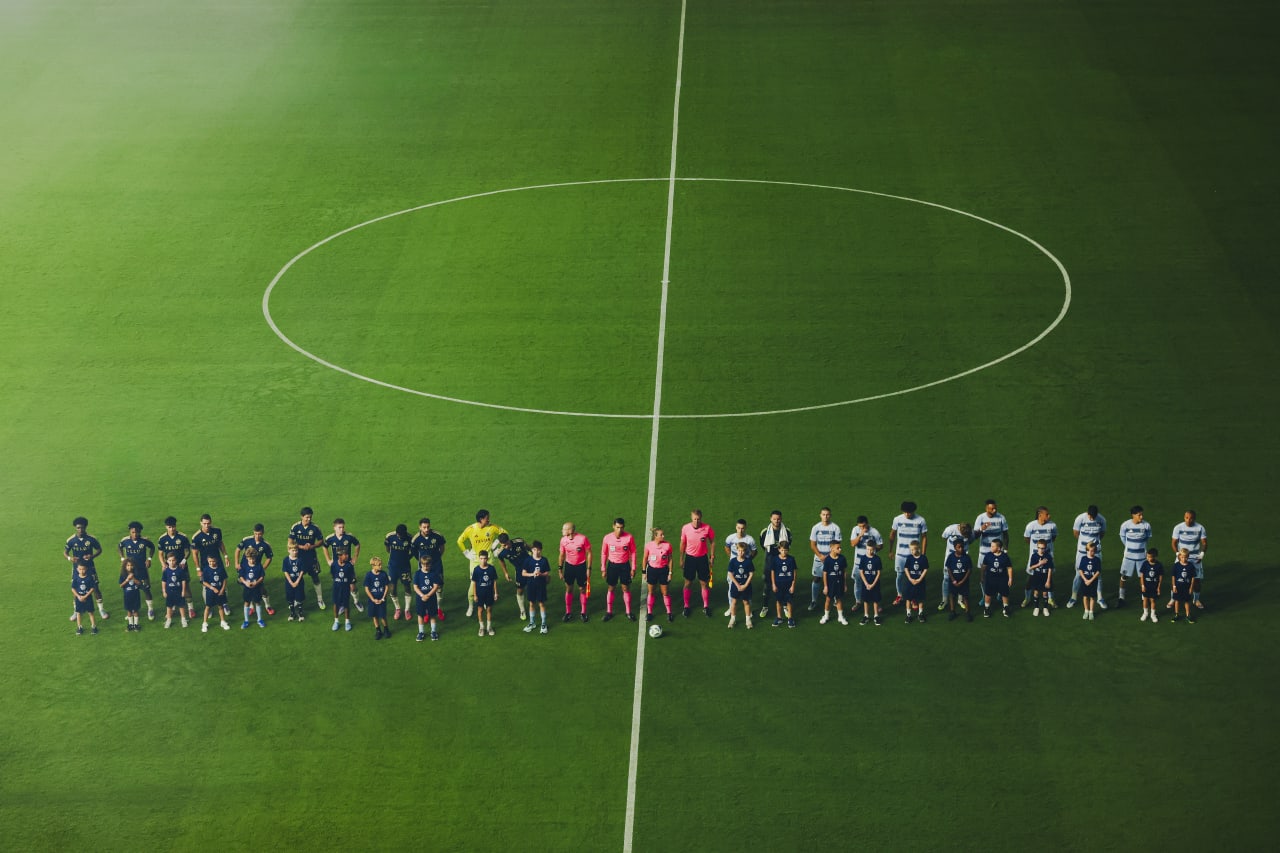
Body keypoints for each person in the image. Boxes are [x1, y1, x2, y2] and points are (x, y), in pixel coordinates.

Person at [457, 510, 507, 617]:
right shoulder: (470, 529)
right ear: (481, 519)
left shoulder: (492, 527)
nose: (489, 519)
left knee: (488, 584)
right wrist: (466, 553)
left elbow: (504, 533)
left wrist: (495, 544)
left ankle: (485, 602)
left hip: (489, 560)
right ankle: (471, 605)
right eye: (487, 518)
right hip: (475, 562)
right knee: (473, 585)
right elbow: (459, 541)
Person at [65, 516, 108, 621]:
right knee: (76, 588)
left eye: (82, 528)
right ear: (75, 528)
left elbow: (99, 550)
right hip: (76, 569)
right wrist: (70, 558)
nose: (80, 530)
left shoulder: (91, 539)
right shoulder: (71, 540)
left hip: (89, 567)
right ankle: (76, 611)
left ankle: (101, 609)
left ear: (85, 527)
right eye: (78, 528)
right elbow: (65, 552)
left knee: (96, 588)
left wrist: (92, 556)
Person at [889, 501, 927, 606]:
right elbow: (892, 534)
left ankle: (913, 597)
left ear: (913, 511)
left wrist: (923, 554)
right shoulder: (897, 519)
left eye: (909, 512)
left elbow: (924, 537)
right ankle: (900, 595)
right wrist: (891, 550)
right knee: (900, 575)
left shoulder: (920, 520)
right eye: (905, 512)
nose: (907, 514)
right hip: (900, 554)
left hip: (914, 555)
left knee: (914, 576)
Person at [1069, 505, 1107, 609]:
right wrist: (1085, 545)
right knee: (1078, 573)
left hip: (1096, 552)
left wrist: (1094, 547)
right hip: (1082, 551)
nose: (1092, 519)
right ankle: (1073, 596)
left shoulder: (1101, 519)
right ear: (1087, 513)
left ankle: (1099, 598)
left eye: (1094, 517)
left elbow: (1102, 533)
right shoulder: (1080, 518)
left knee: (1097, 574)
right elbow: (1076, 533)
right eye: (1090, 516)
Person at [288, 507, 326, 610]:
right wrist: (300, 547)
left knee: (315, 577)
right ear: (302, 517)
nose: (309, 519)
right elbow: (290, 542)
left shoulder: (315, 528)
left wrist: (312, 546)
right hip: (298, 558)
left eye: (310, 517)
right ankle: (298, 599)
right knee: (297, 578)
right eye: (307, 517)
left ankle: (320, 599)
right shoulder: (295, 527)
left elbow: (321, 541)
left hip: (311, 557)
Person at [680, 509, 716, 617]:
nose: (696, 521)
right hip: (690, 559)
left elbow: (712, 541)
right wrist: (681, 558)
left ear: (701, 518)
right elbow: (682, 543)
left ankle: (706, 606)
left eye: (698, 519)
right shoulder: (685, 528)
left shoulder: (707, 528)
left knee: (704, 583)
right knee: (688, 583)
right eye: (694, 519)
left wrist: (712, 555)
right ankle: (686, 606)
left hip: (702, 559)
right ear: (691, 518)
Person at [157, 516, 196, 619]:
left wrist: (184, 560)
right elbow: (160, 554)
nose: (172, 529)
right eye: (170, 527)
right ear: (166, 527)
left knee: (186, 587)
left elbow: (187, 551)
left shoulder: (182, 537)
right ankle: (172, 608)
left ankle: (191, 608)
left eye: (173, 526)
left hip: (181, 567)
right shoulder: (162, 539)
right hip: (169, 568)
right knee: (171, 588)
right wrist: (163, 564)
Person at [600, 518, 637, 622]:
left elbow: (633, 552)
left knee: (625, 588)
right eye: (617, 527)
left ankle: (628, 612)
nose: (619, 530)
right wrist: (603, 568)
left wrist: (633, 568)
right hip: (612, 566)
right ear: (613, 526)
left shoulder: (629, 537)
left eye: (621, 527)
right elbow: (604, 553)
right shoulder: (607, 538)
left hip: (625, 566)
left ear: (623, 527)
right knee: (611, 588)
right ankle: (609, 612)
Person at [757, 510, 793, 618]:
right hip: (770, 559)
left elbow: (787, 545)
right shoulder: (764, 532)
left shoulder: (787, 531)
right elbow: (763, 546)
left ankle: (785, 606)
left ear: (781, 519)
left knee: (784, 583)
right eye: (774, 519)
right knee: (768, 584)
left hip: (783, 559)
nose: (776, 521)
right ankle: (765, 606)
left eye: (778, 519)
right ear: (770, 519)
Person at [118, 522, 156, 620]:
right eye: (133, 532)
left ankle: (150, 609)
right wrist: (122, 558)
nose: (135, 534)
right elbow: (119, 547)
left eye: (137, 532)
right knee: (129, 590)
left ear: (140, 532)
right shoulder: (125, 541)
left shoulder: (144, 541)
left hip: (141, 569)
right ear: (130, 532)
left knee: (146, 589)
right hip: (129, 570)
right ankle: (130, 611)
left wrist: (149, 558)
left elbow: (152, 547)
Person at [1116, 505, 1152, 608]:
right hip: (1129, 557)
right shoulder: (1125, 525)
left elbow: (1147, 538)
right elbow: (1123, 538)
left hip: (1142, 556)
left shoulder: (1146, 526)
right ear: (1133, 515)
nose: (1141, 517)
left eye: (1142, 514)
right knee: (1124, 576)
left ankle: (1143, 598)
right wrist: (1130, 547)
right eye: (1139, 515)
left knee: (1143, 577)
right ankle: (1121, 598)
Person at [235, 524, 275, 616]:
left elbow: (269, 557)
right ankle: (251, 607)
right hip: (244, 569)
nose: (257, 536)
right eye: (256, 534)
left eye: (259, 534)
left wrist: (262, 568)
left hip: (256, 570)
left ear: (263, 533)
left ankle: (268, 605)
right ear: (253, 532)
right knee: (246, 587)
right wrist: (237, 563)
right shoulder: (247, 540)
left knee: (261, 589)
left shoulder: (265, 545)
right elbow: (238, 549)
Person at [1170, 510, 1207, 610]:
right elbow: (1173, 542)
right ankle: (1173, 598)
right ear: (1184, 517)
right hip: (1181, 557)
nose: (1188, 520)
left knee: (1197, 580)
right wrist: (1178, 553)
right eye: (1187, 518)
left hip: (1195, 558)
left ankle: (1196, 600)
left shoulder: (1200, 528)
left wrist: (1202, 554)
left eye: (1191, 518)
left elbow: (1204, 543)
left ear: (1194, 518)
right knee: (1176, 578)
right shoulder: (1178, 527)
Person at [1022, 507, 1058, 608]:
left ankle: (1050, 599)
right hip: (1034, 558)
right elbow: (1027, 539)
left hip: (1047, 558)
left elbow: (1053, 537)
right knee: (1030, 580)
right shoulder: (1031, 526)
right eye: (1047, 514)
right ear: (1040, 515)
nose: (1049, 516)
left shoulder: (1052, 526)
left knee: (1049, 580)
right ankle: (1027, 598)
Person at [324, 519, 363, 613]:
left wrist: (355, 558)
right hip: (337, 567)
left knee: (352, 586)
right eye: (339, 527)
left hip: (348, 566)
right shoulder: (330, 538)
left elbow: (357, 545)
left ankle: (356, 601)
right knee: (340, 586)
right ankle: (341, 604)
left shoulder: (349, 537)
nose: (342, 529)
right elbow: (324, 547)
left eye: (343, 527)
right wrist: (328, 560)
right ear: (334, 528)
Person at [412, 518, 448, 619]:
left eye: (428, 527)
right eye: (424, 527)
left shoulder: (437, 535)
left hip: (436, 565)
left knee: (439, 587)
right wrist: (421, 561)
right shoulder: (416, 539)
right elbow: (414, 552)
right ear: (420, 527)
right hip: (423, 567)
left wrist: (437, 558)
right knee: (425, 587)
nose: (427, 529)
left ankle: (438, 608)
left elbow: (442, 547)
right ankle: (428, 611)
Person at [807, 507, 841, 611]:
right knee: (817, 578)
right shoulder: (816, 528)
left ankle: (835, 599)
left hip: (832, 557)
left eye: (827, 514)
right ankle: (814, 601)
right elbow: (812, 544)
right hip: (819, 558)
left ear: (830, 515)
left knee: (833, 578)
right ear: (820, 515)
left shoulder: (835, 528)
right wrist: (821, 556)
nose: (825, 516)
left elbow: (837, 545)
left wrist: (829, 556)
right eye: (823, 514)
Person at [558, 522, 592, 622]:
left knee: (582, 589)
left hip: (581, 567)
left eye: (564, 529)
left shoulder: (582, 539)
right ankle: (568, 612)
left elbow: (589, 553)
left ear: (570, 530)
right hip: (569, 567)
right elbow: (561, 555)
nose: (562, 531)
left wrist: (589, 568)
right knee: (569, 588)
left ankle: (583, 612)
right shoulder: (563, 540)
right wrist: (560, 569)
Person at [723, 519, 758, 616]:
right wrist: (732, 558)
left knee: (747, 588)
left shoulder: (750, 539)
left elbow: (755, 551)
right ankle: (731, 608)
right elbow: (726, 547)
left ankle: (749, 610)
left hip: (745, 565)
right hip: (734, 565)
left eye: (742, 528)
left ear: (745, 528)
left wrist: (748, 560)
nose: (740, 530)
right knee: (731, 586)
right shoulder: (730, 538)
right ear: (736, 527)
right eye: (738, 528)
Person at [494, 533, 532, 620]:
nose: (506, 546)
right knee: (520, 589)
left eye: (507, 544)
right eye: (503, 545)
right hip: (519, 571)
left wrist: (533, 553)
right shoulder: (501, 553)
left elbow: (527, 546)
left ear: (509, 540)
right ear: (500, 544)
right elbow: (501, 561)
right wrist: (505, 573)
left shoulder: (519, 541)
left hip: (530, 566)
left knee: (533, 585)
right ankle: (522, 610)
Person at [935, 522, 972, 610]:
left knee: (961, 577)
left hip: (963, 558)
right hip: (950, 557)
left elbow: (972, 539)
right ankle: (944, 600)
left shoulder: (970, 532)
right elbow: (944, 537)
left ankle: (960, 600)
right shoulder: (950, 529)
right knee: (947, 578)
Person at [383, 523, 414, 621]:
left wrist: (406, 558)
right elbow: (388, 549)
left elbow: (413, 551)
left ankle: (407, 610)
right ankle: (397, 608)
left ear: (405, 533)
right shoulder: (390, 537)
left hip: (405, 568)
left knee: (407, 587)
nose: (399, 536)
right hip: (393, 567)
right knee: (392, 588)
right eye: (398, 534)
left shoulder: (410, 538)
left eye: (401, 535)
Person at [644, 527, 675, 622]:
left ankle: (669, 612)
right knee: (651, 592)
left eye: (663, 534)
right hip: (652, 571)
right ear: (655, 536)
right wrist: (644, 572)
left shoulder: (667, 545)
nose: (663, 536)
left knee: (665, 593)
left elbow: (670, 559)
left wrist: (670, 572)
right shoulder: (649, 545)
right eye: (661, 535)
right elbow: (645, 559)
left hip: (663, 571)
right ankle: (649, 613)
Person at [522, 540, 552, 634]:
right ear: (532, 550)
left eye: (538, 550)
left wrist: (541, 574)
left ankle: (543, 623)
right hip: (531, 585)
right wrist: (532, 574)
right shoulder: (528, 560)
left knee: (541, 604)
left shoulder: (544, 560)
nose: (537, 552)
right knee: (531, 603)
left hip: (541, 586)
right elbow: (523, 573)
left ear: (541, 550)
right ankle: (532, 623)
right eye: (535, 550)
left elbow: (547, 572)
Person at [980, 538, 1013, 618]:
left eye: (992, 546)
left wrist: (1010, 578)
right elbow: (984, 567)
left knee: (1005, 594)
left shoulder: (1005, 557)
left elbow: (1009, 568)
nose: (991, 547)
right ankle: (987, 608)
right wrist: (982, 576)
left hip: (1002, 579)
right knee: (988, 594)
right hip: (990, 579)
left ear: (998, 548)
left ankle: (1005, 607)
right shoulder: (988, 556)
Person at [412, 555, 442, 642]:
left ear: (430, 565)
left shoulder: (434, 573)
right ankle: (421, 632)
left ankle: (433, 631)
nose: (425, 567)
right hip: (420, 599)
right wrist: (422, 596)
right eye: (424, 565)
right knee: (420, 615)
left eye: (427, 565)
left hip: (431, 598)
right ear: (421, 564)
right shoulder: (417, 574)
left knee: (432, 614)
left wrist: (428, 595)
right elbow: (415, 587)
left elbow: (436, 586)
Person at [726, 541, 755, 629]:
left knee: (746, 602)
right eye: (739, 550)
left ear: (745, 551)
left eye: (743, 551)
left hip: (746, 586)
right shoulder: (733, 561)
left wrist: (745, 585)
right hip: (736, 586)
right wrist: (737, 585)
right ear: (737, 550)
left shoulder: (748, 562)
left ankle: (748, 620)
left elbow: (751, 574)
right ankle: (733, 619)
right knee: (734, 602)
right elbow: (730, 574)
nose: (741, 552)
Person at [199, 554, 231, 632]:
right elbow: (204, 582)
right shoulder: (206, 570)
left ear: (216, 560)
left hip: (220, 591)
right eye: (209, 561)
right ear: (207, 561)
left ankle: (223, 621)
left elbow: (224, 579)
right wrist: (212, 588)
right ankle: (204, 623)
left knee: (220, 606)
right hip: (210, 592)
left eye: (213, 561)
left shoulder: (220, 569)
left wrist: (223, 589)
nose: (211, 563)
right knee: (208, 607)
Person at [819, 540, 849, 626]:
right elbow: (825, 573)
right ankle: (826, 616)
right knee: (828, 600)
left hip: (839, 583)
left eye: (840, 547)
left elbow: (844, 572)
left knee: (839, 599)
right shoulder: (828, 560)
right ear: (832, 548)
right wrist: (825, 586)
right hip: (830, 584)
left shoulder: (842, 559)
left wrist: (845, 584)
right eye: (838, 548)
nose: (840, 549)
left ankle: (840, 617)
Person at [769, 540, 797, 628]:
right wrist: (773, 584)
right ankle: (779, 617)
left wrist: (793, 585)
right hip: (778, 584)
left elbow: (794, 572)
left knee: (789, 601)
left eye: (785, 550)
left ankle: (790, 618)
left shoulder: (791, 559)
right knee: (778, 601)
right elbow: (772, 572)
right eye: (782, 550)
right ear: (778, 549)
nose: (783, 552)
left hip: (788, 584)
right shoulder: (775, 559)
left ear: (788, 550)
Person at [237, 548, 267, 629]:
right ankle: (246, 620)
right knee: (247, 602)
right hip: (247, 588)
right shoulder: (244, 565)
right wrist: (246, 582)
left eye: (253, 558)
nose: (251, 560)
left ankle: (259, 619)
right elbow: (241, 576)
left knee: (257, 602)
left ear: (255, 558)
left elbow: (262, 576)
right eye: (250, 559)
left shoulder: (259, 565)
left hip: (256, 588)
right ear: (247, 558)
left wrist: (256, 583)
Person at [471, 550, 499, 637]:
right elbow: (474, 583)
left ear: (488, 558)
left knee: (489, 610)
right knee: (480, 610)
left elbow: (494, 581)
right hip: (480, 594)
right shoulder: (476, 570)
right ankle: (482, 627)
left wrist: (496, 593)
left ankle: (489, 627)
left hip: (489, 593)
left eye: (485, 558)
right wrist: (475, 595)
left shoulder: (491, 569)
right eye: (481, 558)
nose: (483, 560)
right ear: (479, 559)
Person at [944, 540, 973, 622]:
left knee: (966, 597)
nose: (961, 549)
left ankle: (968, 613)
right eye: (959, 547)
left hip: (964, 582)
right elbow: (948, 569)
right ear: (955, 548)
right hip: (953, 582)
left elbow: (969, 570)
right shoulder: (951, 557)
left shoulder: (966, 557)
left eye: (962, 547)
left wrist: (962, 581)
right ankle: (952, 612)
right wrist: (953, 580)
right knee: (952, 596)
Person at [329, 549, 357, 633]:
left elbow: (352, 575)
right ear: (340, 556)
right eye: (345, 555)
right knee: (336, 603)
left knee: (346, 604)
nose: (347, 556)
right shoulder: (334, 564)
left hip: (345, 587)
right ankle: (336, 621)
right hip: (337, 587)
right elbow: (333, 574)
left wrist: (352, 583)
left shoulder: (349, 565)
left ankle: (347, 621)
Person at [857, 541, 884, 626]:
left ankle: (876, 616)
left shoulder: (877, 559)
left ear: (874, 549)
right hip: (866, 584)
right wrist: (866, 583)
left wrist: (873, 584)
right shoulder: (863, 558)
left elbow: (878, 573)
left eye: (871, 550)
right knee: (866, 600)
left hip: (875, 584)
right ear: (866, 548)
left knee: (875, 600)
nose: (869, 551)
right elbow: (861, 572)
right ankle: (866, 615)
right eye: (868, 549)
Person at [902, 541, 929, 623]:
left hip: (920, 582)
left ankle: (920, 613)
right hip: (910, 582)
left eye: (913, 549)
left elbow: (925, 569)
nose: (912, 551)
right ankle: (908, 614)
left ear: (918, 549)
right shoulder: (909, 558)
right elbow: (906, 568)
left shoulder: (923, 558)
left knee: (920, 598)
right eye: (911, 550)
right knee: (908, 598)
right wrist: (910, 579)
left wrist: (920, 579)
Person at [364, 556, 391, 640]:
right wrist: (372, 599)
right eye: (379, 565)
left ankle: (386, 629)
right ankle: (378, 630)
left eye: (381, 564)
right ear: (373, 566)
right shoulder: (368, 575)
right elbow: (366, 588)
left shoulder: (383, 574)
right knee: (374, 615)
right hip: (373, 600)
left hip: (381, 599)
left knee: (382, 616)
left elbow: (387, 587)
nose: (381, 566)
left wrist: (383, 597)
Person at [1026, 539, 1054, 617]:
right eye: (1039, 548)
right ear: (1037, 547)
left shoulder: (1048, 556)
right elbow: (1031, 567)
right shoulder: (1034, 556)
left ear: (1045, 548)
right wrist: (1039, 563)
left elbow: (1050, 569)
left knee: (1045, 593)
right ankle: (1036, 608)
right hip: (1036, 576)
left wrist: (1048, 580)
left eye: (1043, 548)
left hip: (1045, 577)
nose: (1041, 550)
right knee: (1036, 592)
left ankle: (1045, 608)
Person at [160, 552, 188, 628]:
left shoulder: (180, 570)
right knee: (169, 607)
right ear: (167, 561)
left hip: (179, 591)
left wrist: (183, 591)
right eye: (170, 560)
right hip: (169, 592)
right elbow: (163, 581)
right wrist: (164, 591)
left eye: (173, 560)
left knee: (181, 606)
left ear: (176, 561)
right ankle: (168, 620)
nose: (171, 562)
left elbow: (183, 581)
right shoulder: (166, 571)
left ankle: (183, 619)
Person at [281, 543, 308, 621]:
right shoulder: (286, 560)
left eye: (296, 550)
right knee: (290, 598)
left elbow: (302, 571)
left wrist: (297, 581)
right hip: (289, 583)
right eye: (293, 550)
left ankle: (300, 613)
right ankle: (292, 613)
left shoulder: (300, 559)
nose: (295, 552)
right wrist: (291, 582)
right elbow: (285, 571)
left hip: (299, 582)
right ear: (289, 550)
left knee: (299, 598)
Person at [1076, 541, 1102, 621]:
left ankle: (1091, 611)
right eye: (1090, 550)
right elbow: (1080, 570)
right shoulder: (1083, 559)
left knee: (1092, 597)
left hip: (1093, 582)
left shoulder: (1097, 560)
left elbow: (1098, 572)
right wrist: (1085, 579)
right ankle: (1086, 610)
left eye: (1093, 550)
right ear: (1087, 550)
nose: (1092, 552)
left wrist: (1090, 580)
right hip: (1085, 581)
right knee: (1085, 596)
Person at [71, 561, 99, 635]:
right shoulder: (76, 578)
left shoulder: (89, 578)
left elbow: (92, 588)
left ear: (86, 569)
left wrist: (85, 596)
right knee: (79, 613)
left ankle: (93, 626)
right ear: (77, 569)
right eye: (80, 569)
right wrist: (78, 596)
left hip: (88, 598)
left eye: (83, 569)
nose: (81, 571)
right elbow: (73, 588)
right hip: (79, 598)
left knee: (90, 612)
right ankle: (79, 627)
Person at [1169, 550, 1196, 624]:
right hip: (1178, 587)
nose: (1184, 559)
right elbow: (1173, 576)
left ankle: (1188, 615)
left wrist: (1191, 587)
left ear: (1188, 557)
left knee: (1187, 601)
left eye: (1185, 557)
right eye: (1182, 557)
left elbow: (1193, 578)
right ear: (1179, 556)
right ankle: (1176, 614)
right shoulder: (1176, 565)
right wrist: (1174, 586)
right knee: (1177, 600)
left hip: (1187, 587)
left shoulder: (1190, 566)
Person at [1138, 548, 1163, 623]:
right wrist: (1142, 585)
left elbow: (1160, 576)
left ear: (1155, 556)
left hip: (1154, 586)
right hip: (1146, 586)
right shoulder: (1145, 564)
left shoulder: (1159, 565)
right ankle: (1145, 613)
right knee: (1145, 599)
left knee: (1153, 600)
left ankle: (1153, 614)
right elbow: (1142, 575)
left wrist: (1158, 587)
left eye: (1150, 557)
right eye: (1147, 556)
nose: (1148, 558)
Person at [119, 559, 143, 632]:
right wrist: (127, 579)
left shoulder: (136, 573)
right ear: (125, 567)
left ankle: (136, 625)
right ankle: (130, 624)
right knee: (129, 611)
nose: (130, 567)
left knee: (135, 610)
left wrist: (133, 578)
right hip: (127, 595)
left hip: (135, 595)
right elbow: (121, 585)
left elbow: (139, 583)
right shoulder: (123, 575)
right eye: (128, 565)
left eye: (131, 565)